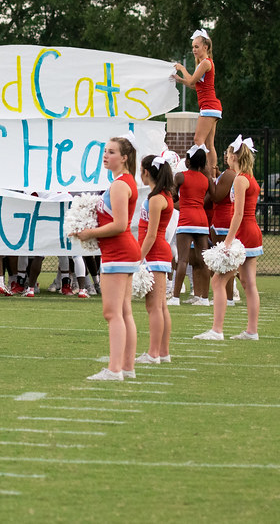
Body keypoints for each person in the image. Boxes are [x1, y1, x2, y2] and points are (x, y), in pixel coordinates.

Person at [71, 135, 141, 382]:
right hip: (121, 252)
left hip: (119, 252)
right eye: (105, 151)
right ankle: (127, 367)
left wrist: (89, 232)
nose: (106, 155)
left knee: (112, 313)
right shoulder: (122, 182)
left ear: (124, 157)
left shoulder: (121, 185)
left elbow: (121, 225)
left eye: (111, 152)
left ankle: (114, 369)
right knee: (124, 311)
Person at [196, 136, 262, 341]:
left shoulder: (241, 179)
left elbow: (239, 213)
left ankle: (217, 330)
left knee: (218, 281)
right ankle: (251, 331)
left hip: (243, 233)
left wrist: (227, 242)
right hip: (252, 232)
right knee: (248, 282)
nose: (226, 156)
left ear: (235, 155)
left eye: (228, 153)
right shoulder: (249, 178)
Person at [135, 155, 174, 365]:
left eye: (141, 169)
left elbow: (151, 234)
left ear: (147, 172)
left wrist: (138, 259)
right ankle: (163, 352)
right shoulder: (161, 195)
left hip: (154, 253)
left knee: (154, 307)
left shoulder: (157, 198)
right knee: (161, 306)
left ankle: (153, 354)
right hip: (157, 252)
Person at [174, 29, 222, 171]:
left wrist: (182, 68)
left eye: (196, 46)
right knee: (209, 144)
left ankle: (205, 169)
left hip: (209, 106)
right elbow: (193, 85)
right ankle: (213, 172)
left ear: (205, 47)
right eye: (193, 47)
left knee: (198, 140)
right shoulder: (204, 63)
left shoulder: (205, 63)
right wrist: (180, 80)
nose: (194, 50)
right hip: (212, 107)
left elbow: (192, 80)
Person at [172, 145, 212, 305]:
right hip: (202, 220)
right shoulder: (205, 180)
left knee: (182, 259)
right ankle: (205, 298)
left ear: (188, 161)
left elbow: (173, 194)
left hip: (186, 219)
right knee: (204, 260)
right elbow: (209, 195)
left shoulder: (180, 176)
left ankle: (175, 297)